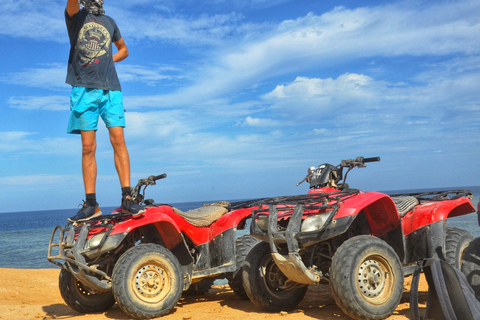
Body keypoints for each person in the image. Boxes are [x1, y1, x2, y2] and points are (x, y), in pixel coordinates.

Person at [65, 0, 144, 222]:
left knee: (118, 139)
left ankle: (127, 198)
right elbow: (70, 4)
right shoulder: (76, 17)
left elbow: (124, 50)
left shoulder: (110, 22)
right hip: (83, 89)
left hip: (111, 89)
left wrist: (107, 60)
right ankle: (91, 204)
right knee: (88, 146)